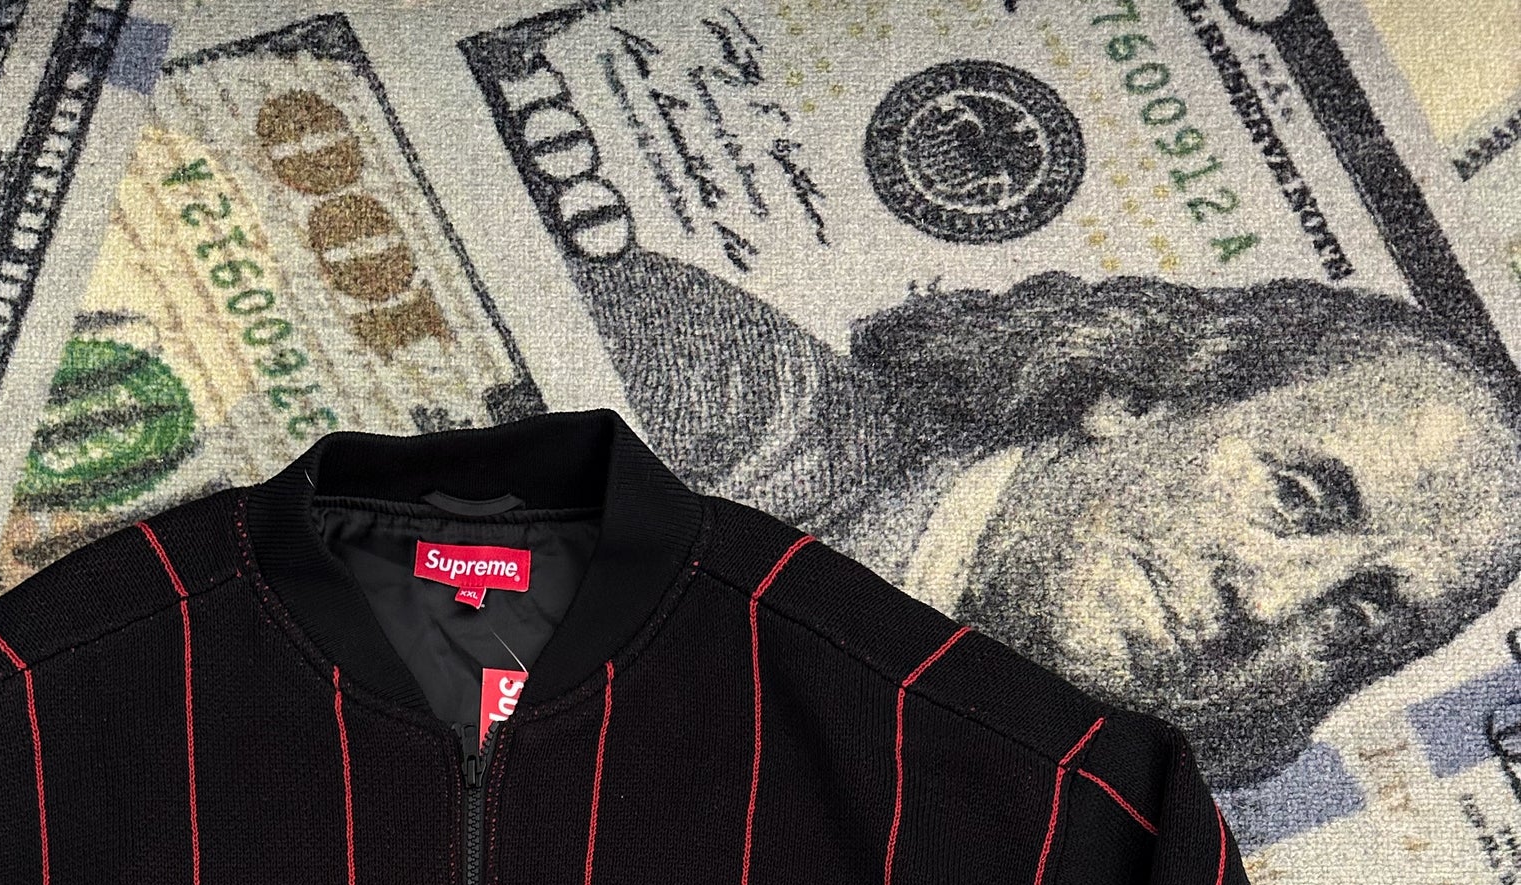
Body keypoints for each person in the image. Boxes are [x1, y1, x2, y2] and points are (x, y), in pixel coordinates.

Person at [580, 248, 1521, 786]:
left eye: (1362, 613)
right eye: (1298, 498)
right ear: (1137, 396)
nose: (1271, 604)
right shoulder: (699, 388)